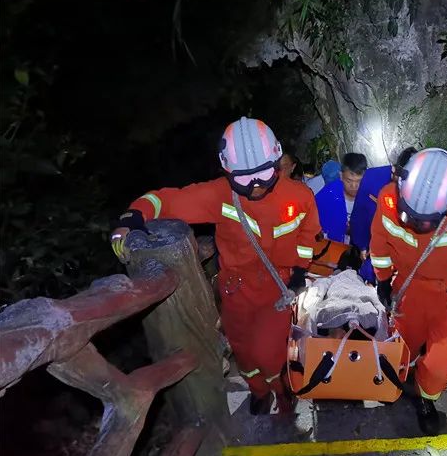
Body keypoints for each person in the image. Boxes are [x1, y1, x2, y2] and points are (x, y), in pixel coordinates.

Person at [110, 117, 321, 415]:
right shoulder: (219, 195)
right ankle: (259, 391)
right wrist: (133, 217)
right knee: (243, 349)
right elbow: (166, 200)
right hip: (235, 289)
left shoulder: (299, 196)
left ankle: (282, 389)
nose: (257, 185)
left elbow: (307, 234)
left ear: (277, 160)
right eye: (246, 178)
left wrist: (300, 271)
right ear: (227, 169)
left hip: (278, 287)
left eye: (263, 174)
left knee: (267, 351)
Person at [369, 148, 447, 435]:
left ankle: (425, 399)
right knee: (401, 347)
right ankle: (396, 382)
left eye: (425, 221)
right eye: (410, 214)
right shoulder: (389, 197)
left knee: (441, 362)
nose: (415, 224)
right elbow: (379, 243)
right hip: (407, 289)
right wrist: (383, 281)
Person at [350, 147, 418, 283]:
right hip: (365, 238)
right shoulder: (372, 178)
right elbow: (359, 215)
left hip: (391, 247)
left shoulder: (414, 191)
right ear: (394, 169)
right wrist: (362, 246)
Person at [315, 153, 367, 246]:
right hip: (329, 250)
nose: (354, 186)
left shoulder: (371, 199)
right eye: (349, 180)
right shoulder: (326, 197)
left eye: (359, 181)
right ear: (341, 176)